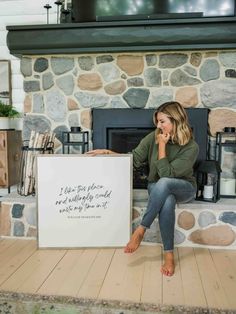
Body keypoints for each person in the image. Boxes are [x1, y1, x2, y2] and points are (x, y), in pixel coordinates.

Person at [87, 101, 199, 277]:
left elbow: (166, 174)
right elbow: (134, 158)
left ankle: (141, 229)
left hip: (184, 187)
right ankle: (169, 255)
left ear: (176, 120)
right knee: (167, 200)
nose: (158, 126)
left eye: (162, 121)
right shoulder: (153, 136)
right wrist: (108, 153)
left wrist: (162, 145)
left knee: (165, 183)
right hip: (159, 187)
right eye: (157, 122)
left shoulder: (191, 147)